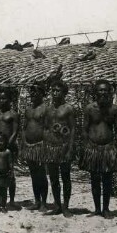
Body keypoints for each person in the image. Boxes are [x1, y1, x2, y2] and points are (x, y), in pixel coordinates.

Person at [81, 79, 117, 219]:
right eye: (100, 90)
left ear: (110, 92)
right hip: (93, 149)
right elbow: (85, 129)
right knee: (94, 179)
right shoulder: (89, 109)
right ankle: (97, 209)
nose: (103, 92)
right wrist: (88, 145)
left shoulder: (114, 109)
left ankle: (106, 209)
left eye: (106, 90)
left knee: (107, 180)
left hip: (108, 149)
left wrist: (115, 147)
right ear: (95, 92)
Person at [44, 79, 75, 217]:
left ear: (64, 93)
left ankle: (66, 206)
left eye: (58, 91)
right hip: (51, 147)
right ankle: (57, 205)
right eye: (53, 90)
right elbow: (45, 128)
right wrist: (45, 145)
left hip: (63, 147)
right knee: (54, 178)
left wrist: (69, 149)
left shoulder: (68, 108)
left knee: (66, 177)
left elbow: (73, 129)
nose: (55, 93)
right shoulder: (48, 109)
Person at [0, 88, 20, 210]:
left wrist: (8, 144)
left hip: (9, 147)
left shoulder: (13, 114)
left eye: (4, 98)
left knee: (10, 174)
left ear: (10, 100)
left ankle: (11, 200)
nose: (1, 101)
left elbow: (15, 131)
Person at [21, 82, 49, 211]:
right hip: (29, 146)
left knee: (41, 174)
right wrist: (24, 142)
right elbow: (24, 127)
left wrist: (45, 144)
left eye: (36, 92)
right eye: (31, 92)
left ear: (42, 94)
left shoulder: (45, 109)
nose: (33, 95)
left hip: (40, 146)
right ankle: (37, 200)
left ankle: (44, 202)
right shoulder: (28, 110)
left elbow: (48, 128)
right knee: (33, 174)